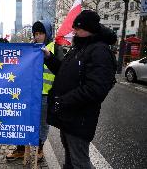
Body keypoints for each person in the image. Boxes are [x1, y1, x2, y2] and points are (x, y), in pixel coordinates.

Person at [42, 10, 117, 169]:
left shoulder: (99, 51)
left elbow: (96, 89)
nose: (73, 31)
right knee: (70, 157)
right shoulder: (80, 47)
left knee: (79, 161)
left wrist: (63, 101)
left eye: (77, 28)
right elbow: (64, 70)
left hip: (79, 118)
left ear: (88, 29)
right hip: (68, 115)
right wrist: (49, 58)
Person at [6, 20, 64, 162]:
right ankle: (20, 150)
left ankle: (39, 149)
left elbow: (62, 69)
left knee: (42, 124)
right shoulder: (31, 48)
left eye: (41, 33)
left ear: (47, 33)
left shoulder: (55, 47)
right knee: (23, 121)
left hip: (46, 94)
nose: (37, 36)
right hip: (29, 94)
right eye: (35, 33)